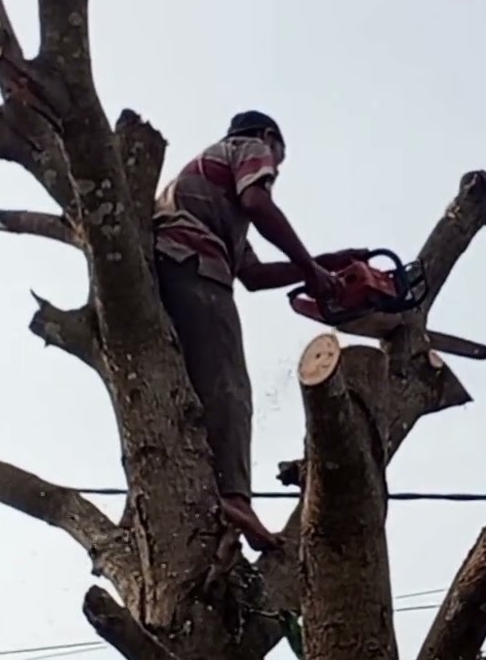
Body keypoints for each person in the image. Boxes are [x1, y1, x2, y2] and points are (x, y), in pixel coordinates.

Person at [153, 110, 367, 552]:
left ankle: (206, 487)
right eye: (278, 162)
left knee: (196, 390)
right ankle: (233, 496)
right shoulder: (247, 148)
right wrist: (310, 268)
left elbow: (251, 274)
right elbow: (259, 203)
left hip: (177, 265)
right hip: (194, 266)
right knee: (229, 385)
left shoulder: (207, 191)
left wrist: (323, 264)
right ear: (270, 140)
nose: (273, 171)